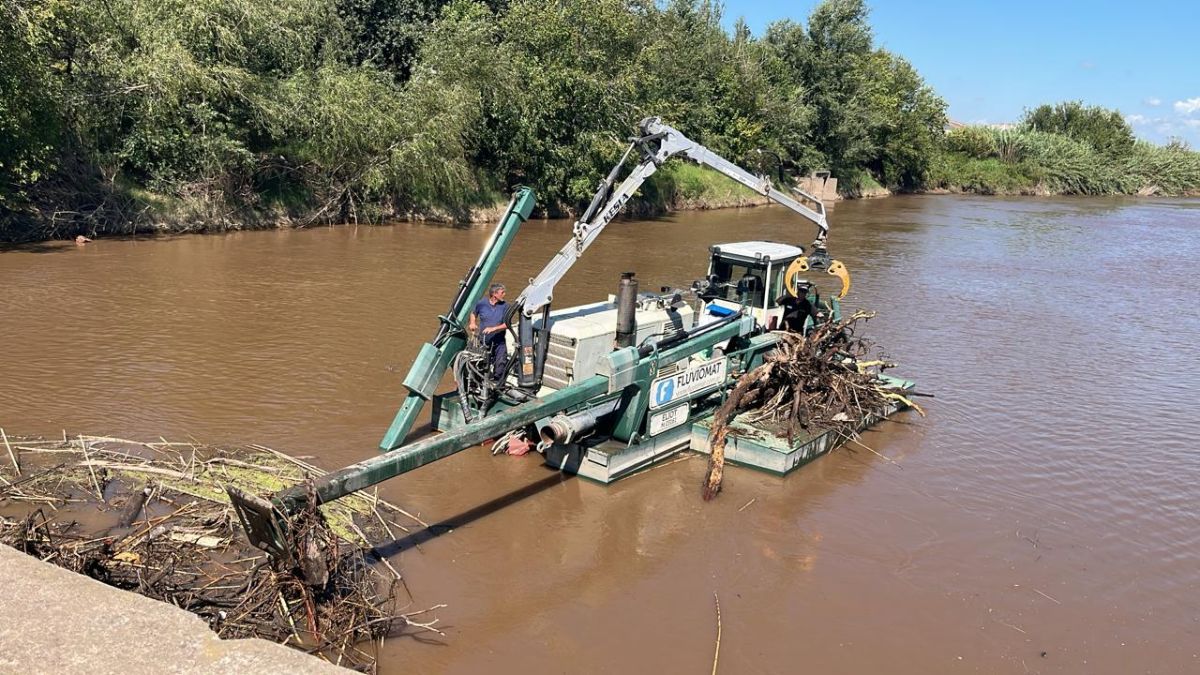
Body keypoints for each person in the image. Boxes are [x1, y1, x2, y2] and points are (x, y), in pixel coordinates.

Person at [469, 283, 509, 380]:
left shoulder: (506, 306)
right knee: (481, 366)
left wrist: (493, 329)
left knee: (500, 366)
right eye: (502, 292)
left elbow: (507, 325)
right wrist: (472, 323)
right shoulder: (482, 303)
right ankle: (481, 383)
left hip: (499, 343)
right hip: (484, 342)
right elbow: (473, 314)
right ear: (494, 294)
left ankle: (498, 384)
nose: (504, 294)